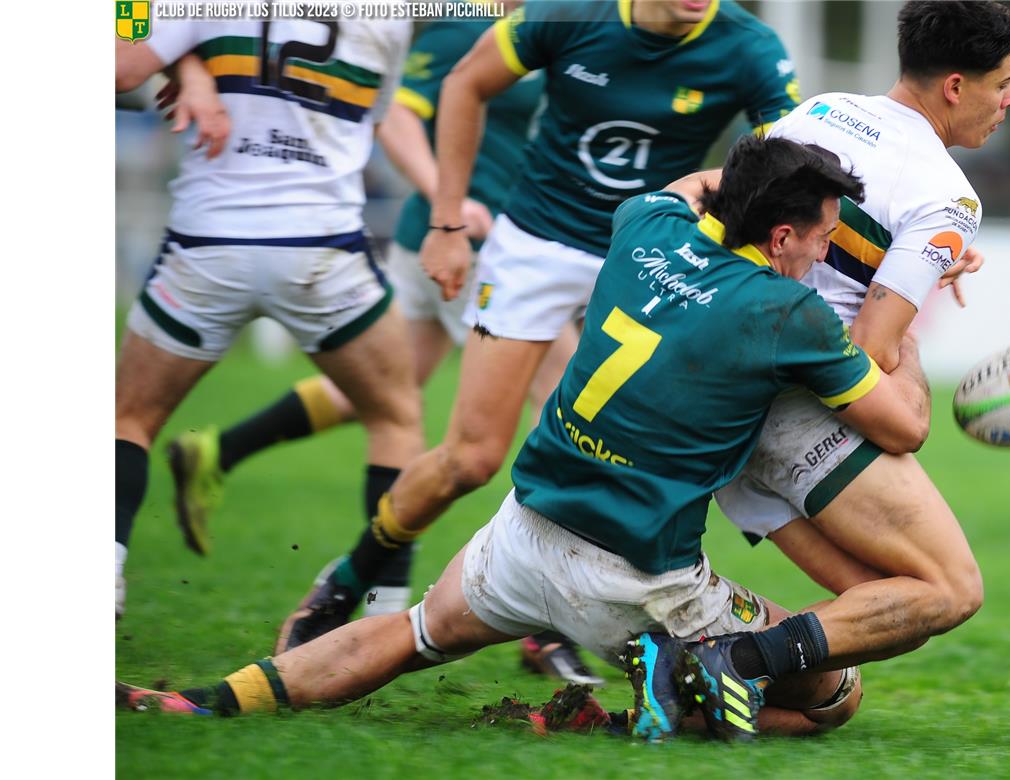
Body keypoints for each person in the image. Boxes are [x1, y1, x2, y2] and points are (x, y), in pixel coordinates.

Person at [117, 135, 928, 742]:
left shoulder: (643, 226)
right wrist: (910, 318)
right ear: (781, 238)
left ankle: (203, 700)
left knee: (412, 636)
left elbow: (693, 187)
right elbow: (905, 426)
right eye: (821, 235)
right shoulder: (789, 313)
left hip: (526, 527)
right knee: (832, 694)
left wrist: (751, 176)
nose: (827, 253)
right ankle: (650, 696)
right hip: (645, 581)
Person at [275, 0, 804, 653]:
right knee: (470, 459)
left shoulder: (748, 48)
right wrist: (445, 221)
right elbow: (465, 84)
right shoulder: (568, 15)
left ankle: (552, 629)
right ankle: (344, 582)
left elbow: (794, 172)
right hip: (536, 247)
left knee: (611, 456)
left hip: (653, 253)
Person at [156, 12, 600, 685]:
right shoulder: (464, 33)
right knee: (562, 398)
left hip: (475, 235)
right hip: (464, 239)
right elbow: (395, 114)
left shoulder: (547, 34)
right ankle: (541, 622)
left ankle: (218, 450)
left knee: (382, 392)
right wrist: (446, 206)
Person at [710, 0, 1010, 635]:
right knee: (944, 590)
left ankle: (720, 667)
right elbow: (874, 348)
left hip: (715, 382)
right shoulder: (948, 196)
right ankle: (721, 659)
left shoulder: (821, 110)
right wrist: (908, 336)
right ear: (957, 86)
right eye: (1005, 83)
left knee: (875, 608)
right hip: (790, 407)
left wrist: (916, 264)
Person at [113, 14, 417, 619]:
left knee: (129, 417)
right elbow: (381, 116)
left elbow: (119, 66)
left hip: (208, 246)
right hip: (322, 253)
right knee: (396, 417)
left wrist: (187, 65)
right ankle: (387, 608)